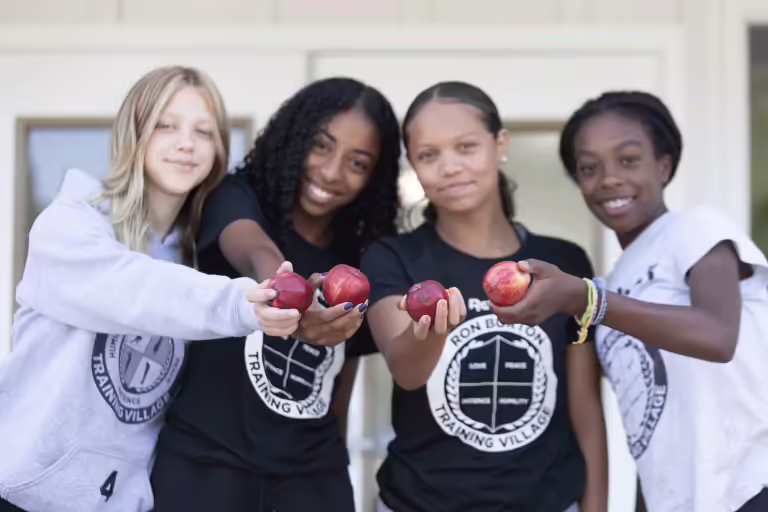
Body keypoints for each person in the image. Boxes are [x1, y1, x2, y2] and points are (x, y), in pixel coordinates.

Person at [0, 66, 291, 512]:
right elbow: (134, 289)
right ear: (134, 133)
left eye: (204, 131)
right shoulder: (71, 225)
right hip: (25, 494)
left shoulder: (193, 257)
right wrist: (241, 303)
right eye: (165, 125)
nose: (186, 143)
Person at [495, 90, 768, 512]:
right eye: (589, 167)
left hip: (750, 488)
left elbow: (717, 336)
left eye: (628, 160)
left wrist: (589, 301)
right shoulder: (613, 283)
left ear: (663, 165)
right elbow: (650, 425)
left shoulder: (696, 228)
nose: (608, 179)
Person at [150, 77, 403, 512]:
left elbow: (341, 380)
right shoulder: (235, 198)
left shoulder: (363, 257)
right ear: (293, 136)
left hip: (311, 480)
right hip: (205, 468)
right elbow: (253, 249)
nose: (331, 171)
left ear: (374, 177)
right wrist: (289, 295)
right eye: (320, 145)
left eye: (357, 163)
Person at [361, 81, 608, 512]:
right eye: (428, 155)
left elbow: (584, 406)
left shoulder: (562, 261)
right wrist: (432, 330)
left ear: (501, 144)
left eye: (466, 147)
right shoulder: (393, 258)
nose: (450, 166)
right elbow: (407, 369)